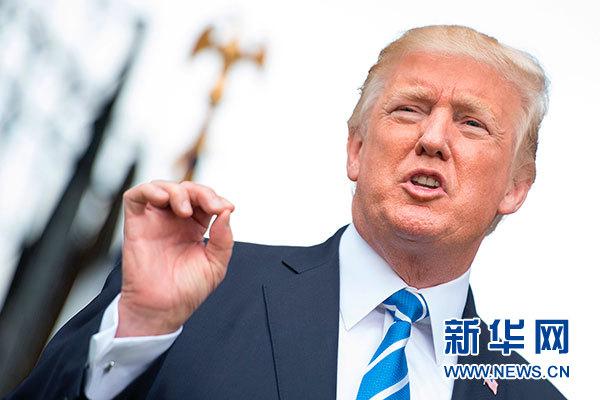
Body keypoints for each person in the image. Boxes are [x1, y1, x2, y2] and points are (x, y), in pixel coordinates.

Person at [7, 25, 566, 399]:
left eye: (472, 123)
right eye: (408, 110)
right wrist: (137, 333)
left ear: (516, 188)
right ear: (355, 150)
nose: (433, 139)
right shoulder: (199, 295)